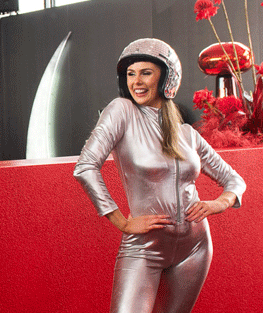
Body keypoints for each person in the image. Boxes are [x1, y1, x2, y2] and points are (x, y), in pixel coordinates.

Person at [73, 38, 246, 313]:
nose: (136, 82)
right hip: (144, 247)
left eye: (146, 73)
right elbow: (85, 166)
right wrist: (122, 222)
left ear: (167, 78)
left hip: (195, 247)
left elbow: (235, 181)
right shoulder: (121, 112)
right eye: (130, 74)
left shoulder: (186, 133)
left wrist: (218, 204)